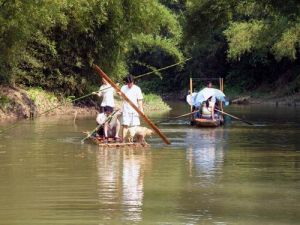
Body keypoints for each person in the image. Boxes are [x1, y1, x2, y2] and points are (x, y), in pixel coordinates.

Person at [120, 75, 143, 141]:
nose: (129, 84)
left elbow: (139, 100)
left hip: (135, 110)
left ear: (133, 82)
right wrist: (119, 95)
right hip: (126, 109)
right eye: (128, 83)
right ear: (126, 83)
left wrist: (141, 110)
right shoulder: (123, 88)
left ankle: (137, 140)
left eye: (131, 83)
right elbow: (121, 98)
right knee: (125, 125)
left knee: (135, 126)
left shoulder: (137, 88)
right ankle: (123, 140)